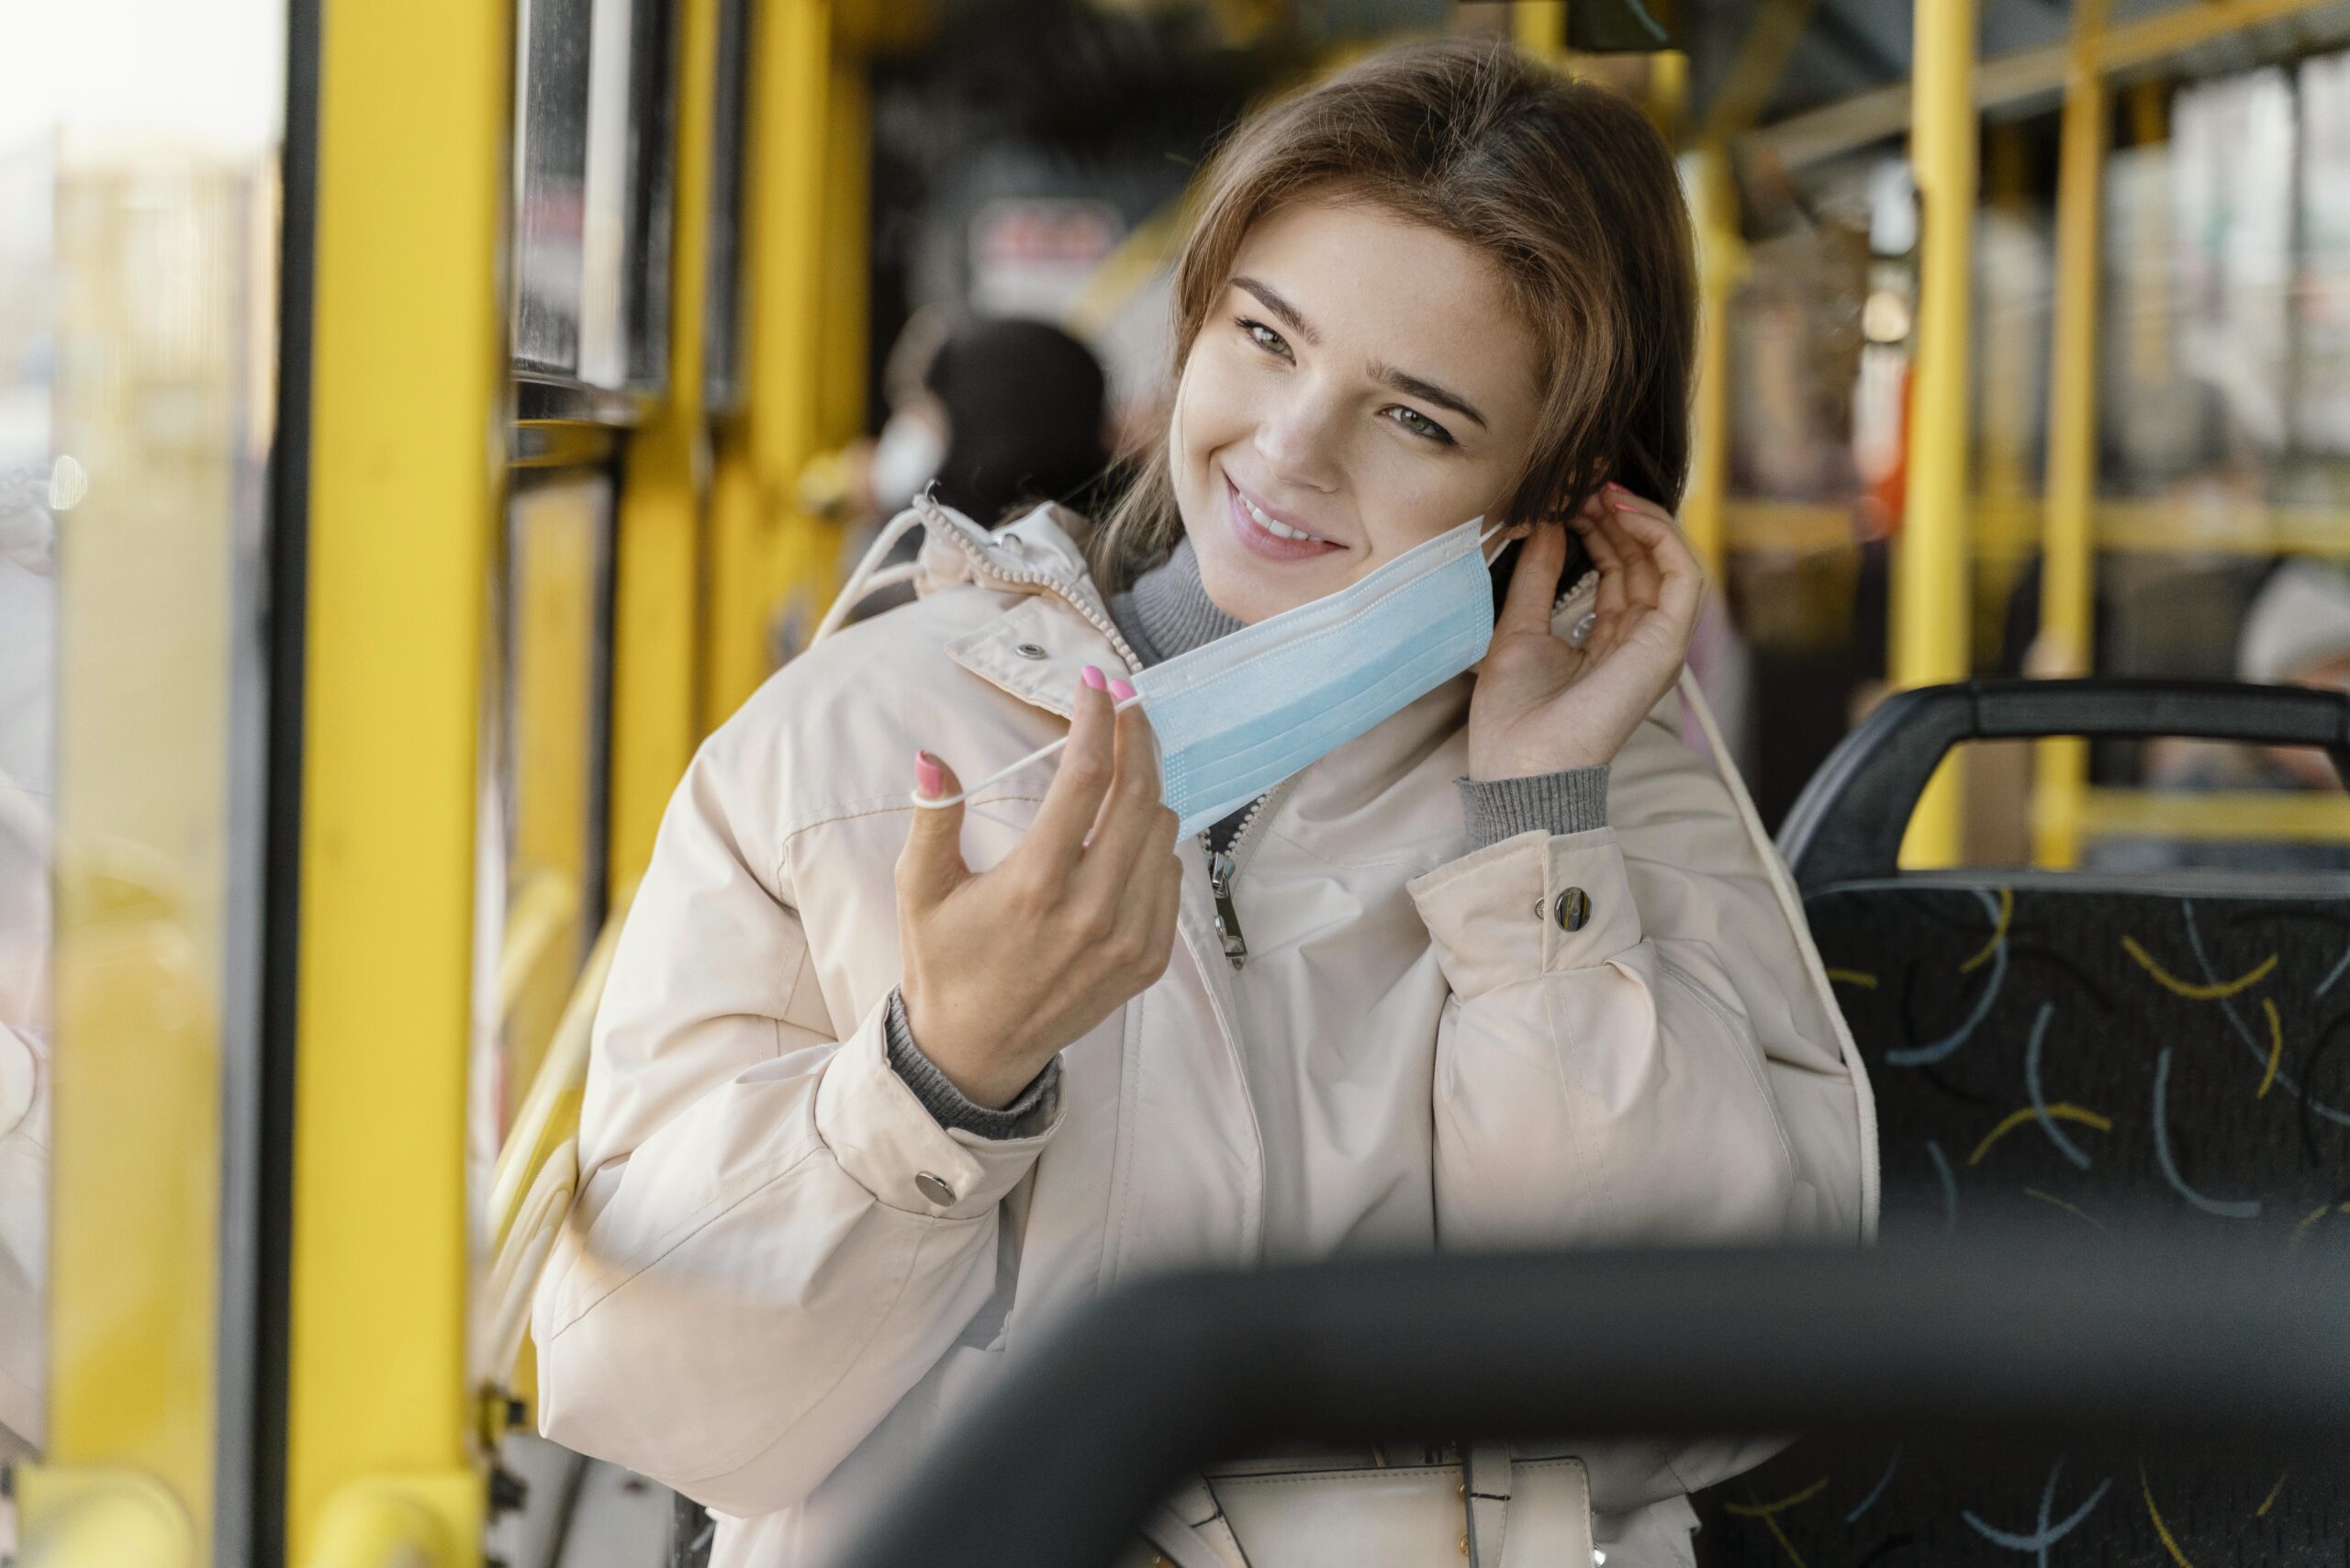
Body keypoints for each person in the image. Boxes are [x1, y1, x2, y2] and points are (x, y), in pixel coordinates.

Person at [533, 40, 1874, 1568]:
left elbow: (1687, 1395)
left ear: (1559, 496)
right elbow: (647, 1392)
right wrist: (934, 1083)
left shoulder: (1617, 808)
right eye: (1264, 337)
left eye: (1416, 420)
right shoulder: (848, 739)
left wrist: (1534, 854)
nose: (1290, 449)